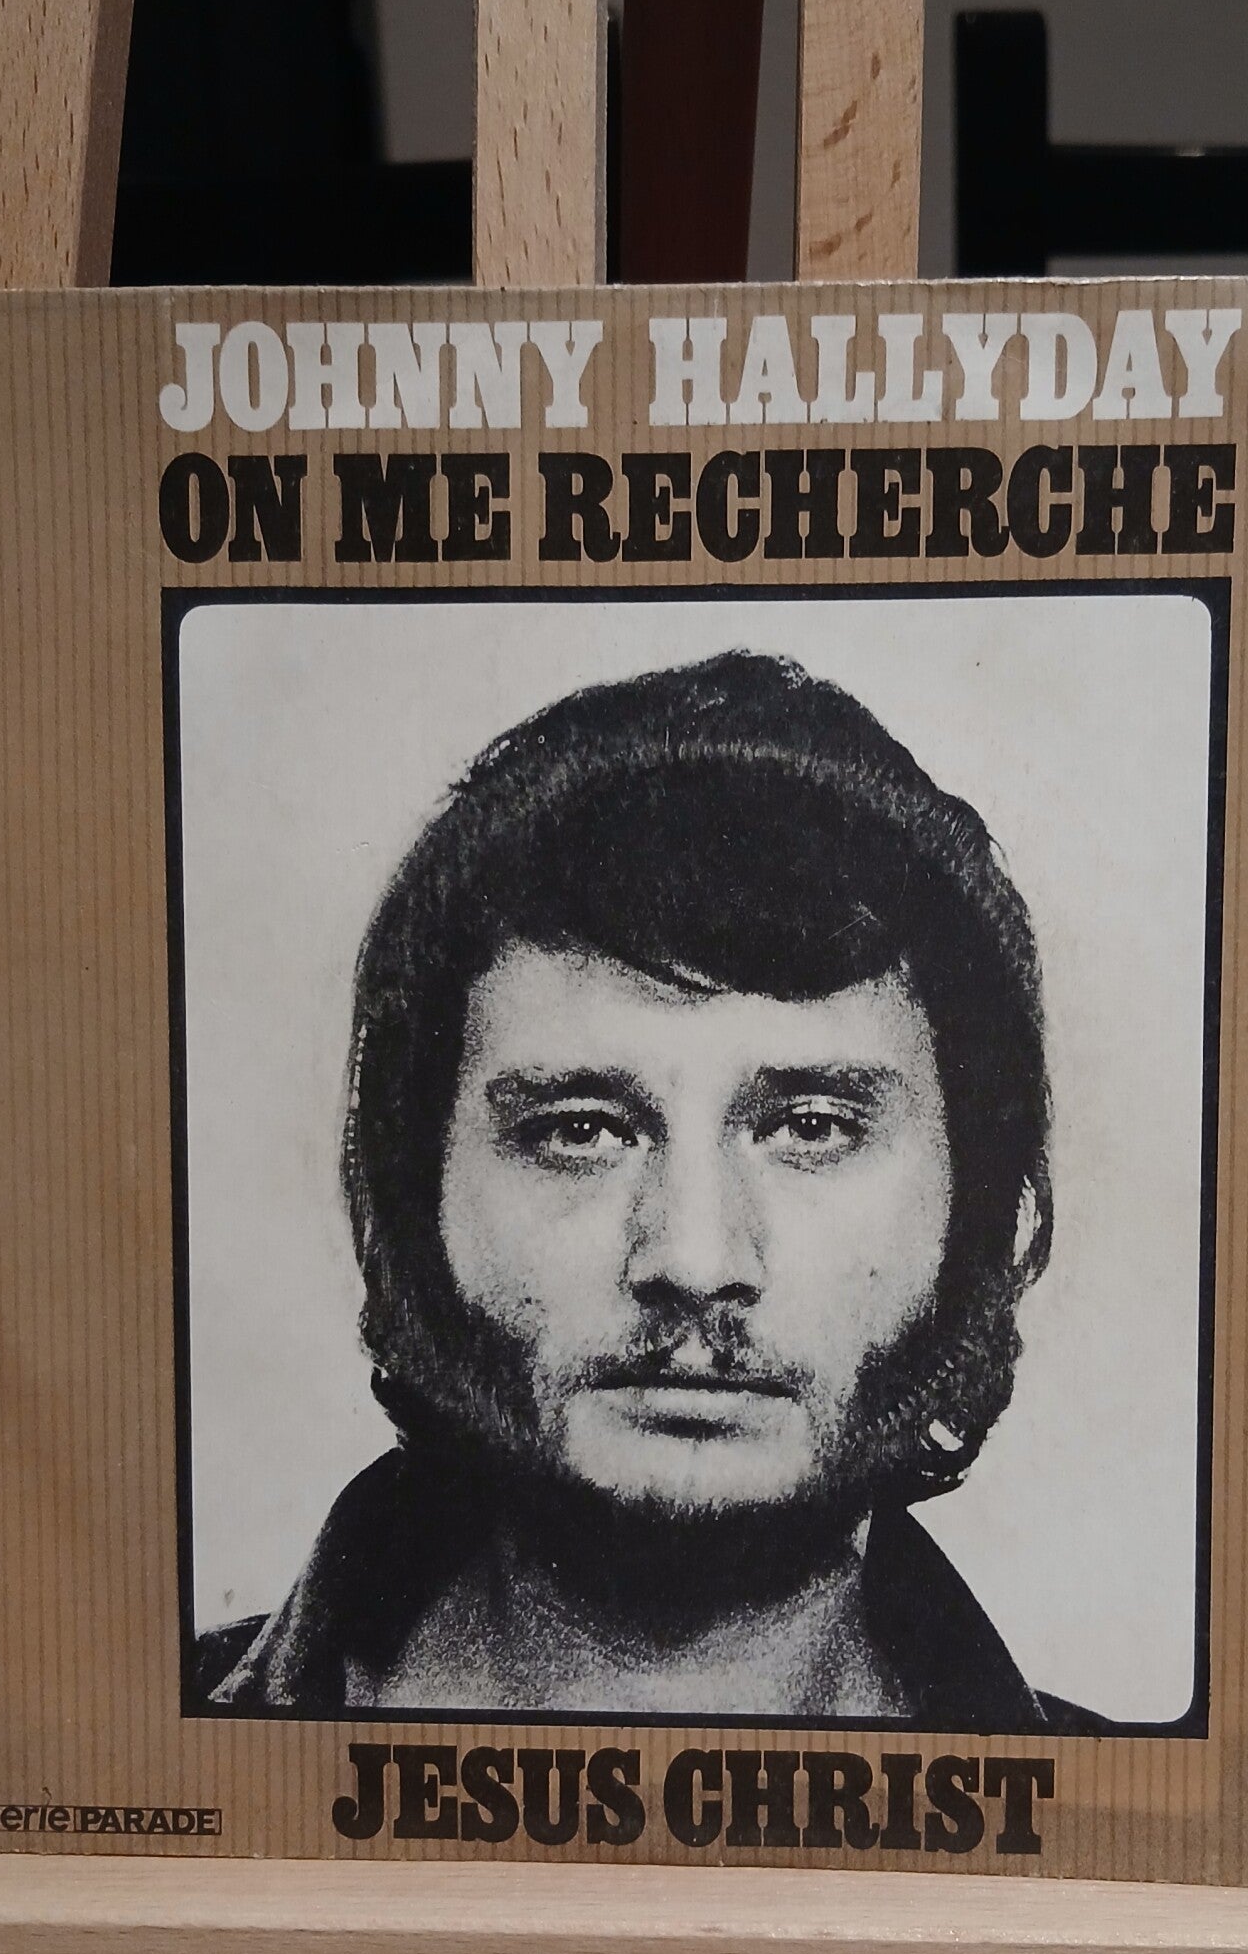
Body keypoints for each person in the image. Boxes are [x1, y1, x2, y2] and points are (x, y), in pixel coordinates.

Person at [195, 648, 1103, 1732]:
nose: (694, 1258)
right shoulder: (137, 1733)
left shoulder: (1119, 1813)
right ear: (409, 1201)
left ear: (981, 1213)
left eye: (813, 1127)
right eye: (580, 1131)